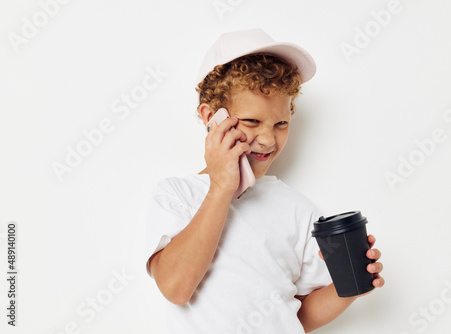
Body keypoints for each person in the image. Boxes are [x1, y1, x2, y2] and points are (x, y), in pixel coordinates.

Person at [144, 28, 384, 333]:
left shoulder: (297, 209)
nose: (269, 139)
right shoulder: (177, 195)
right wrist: (221, 185)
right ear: (210, 117)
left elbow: (299, 315)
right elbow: (175, 289)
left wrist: (350, 284)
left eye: (281, 123)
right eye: (252, 121)